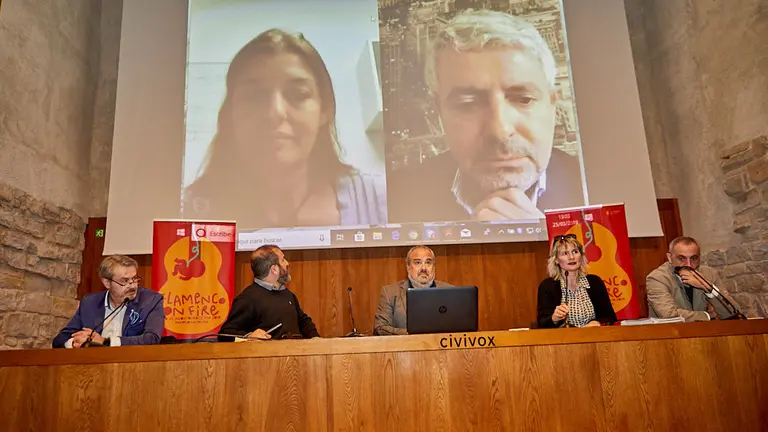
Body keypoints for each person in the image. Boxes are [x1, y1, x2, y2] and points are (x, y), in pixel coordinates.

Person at [387, 9, 583, 223]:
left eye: (524, 100)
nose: (500, 130)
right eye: (468, 104)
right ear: (439, 112)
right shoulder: (396, 195)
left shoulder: (598, 184)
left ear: (552, 104)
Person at [183, 29, 386, 228]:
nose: (275, 112)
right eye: (254, 96)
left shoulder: (378, 199)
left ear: (325, 110)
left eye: (298, 94)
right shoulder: (188, 211)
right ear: (231, 114)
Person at [52, 255, 165, 348]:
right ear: (107, 283)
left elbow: (152, 338)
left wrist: (106, 342)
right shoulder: (90, 303)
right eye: (125, 281)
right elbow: (60, 339)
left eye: (135, 279)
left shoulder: (150, 301)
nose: (133, 285)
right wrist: (75, 342)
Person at [220, 244, 319, 339]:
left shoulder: (288, 295)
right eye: (283, 260)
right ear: (274, 269)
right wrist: (249, 336)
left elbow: (303, 322)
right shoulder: (248, 298)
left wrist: (316, 339)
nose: (287, 263)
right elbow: (226, 333)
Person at [646, 236, 740, 322]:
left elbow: (734, 312)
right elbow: (669, 315)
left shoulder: (709, 274)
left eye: (693, 258)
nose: (688, 265)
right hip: (671, 336)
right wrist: (707, 316)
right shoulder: (657, 278)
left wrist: (708, 288)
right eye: (681, 258)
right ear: (669, 258)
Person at [537, 234, 617, 328]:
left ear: (581, 256)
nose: (571, 257)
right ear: (556, 260)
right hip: (564, 340)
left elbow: (610, 317)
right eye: (565, 253)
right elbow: (542, 324)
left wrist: (597, 323)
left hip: (594, 338)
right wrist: (554, 318)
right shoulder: (547, 286)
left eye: (575, 252)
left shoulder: (595, 282)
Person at [373, 246, 454, 335]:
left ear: (433, 267)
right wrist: (411, 334)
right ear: (408, 267)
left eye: (428, 262)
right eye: (418, 263)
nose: (424, 268)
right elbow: (380, 328)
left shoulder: (451, 292)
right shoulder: (390, 293)